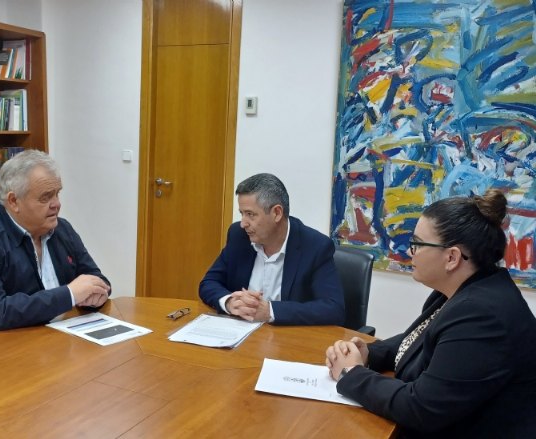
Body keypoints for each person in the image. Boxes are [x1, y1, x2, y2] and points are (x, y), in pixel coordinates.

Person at [325, 189, 536, 438]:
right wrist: (370, 353)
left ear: (452, 257)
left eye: (417, 244)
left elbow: (421, 408)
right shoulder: (463, 290)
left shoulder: (483, 315)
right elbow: (420, 340)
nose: (410, 251)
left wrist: (352, 374)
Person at [0, 149, 111, 346]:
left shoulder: (61, 229)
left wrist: (97, 294)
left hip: (45, 341)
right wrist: (70, 294)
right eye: (46, 197)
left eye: (57, 194)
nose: (56, 204)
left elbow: (95, 278)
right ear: (14, 201)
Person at [199, 173, 344, 325]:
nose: (243, 223)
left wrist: (270, 311)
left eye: (250, 214)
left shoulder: (315, 246)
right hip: (239, 331)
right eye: (242, 214)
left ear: (277, 213)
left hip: (287, 336)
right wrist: (229, 302)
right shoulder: (239, 236)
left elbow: (333, 309)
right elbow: (209, 282)